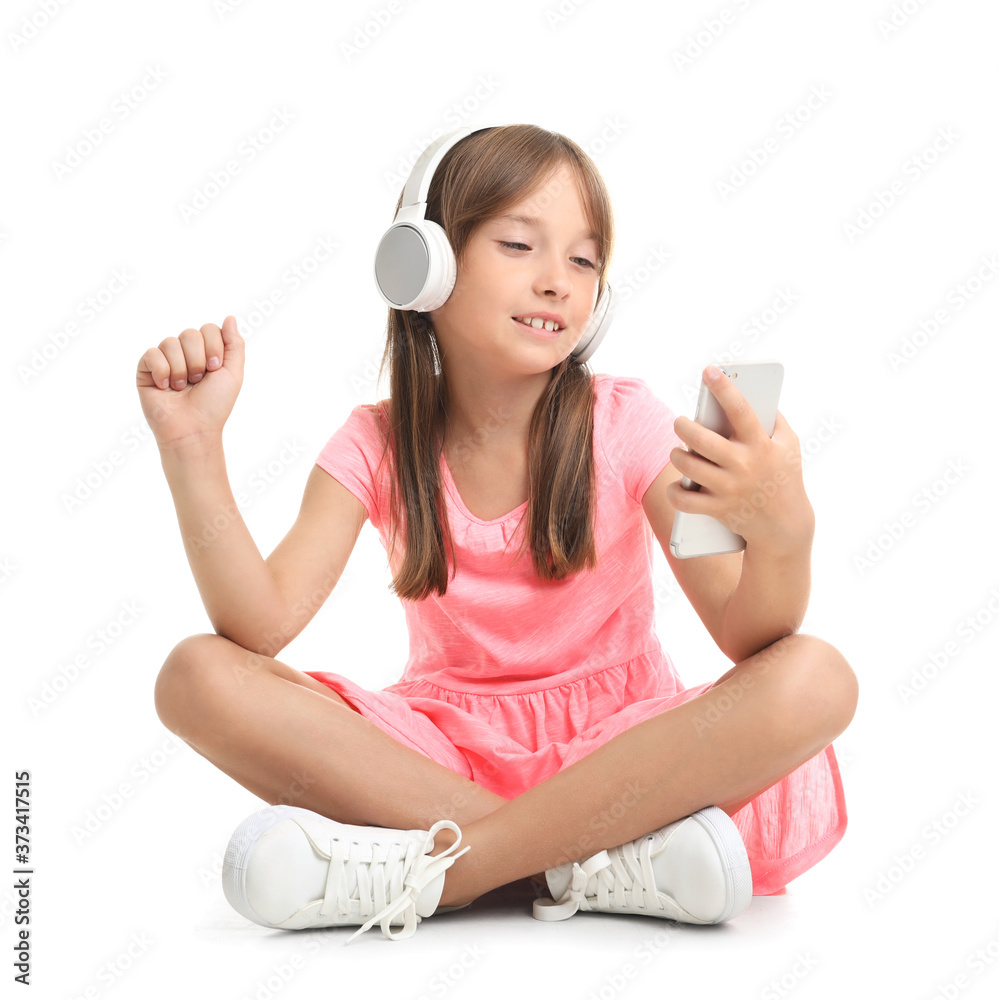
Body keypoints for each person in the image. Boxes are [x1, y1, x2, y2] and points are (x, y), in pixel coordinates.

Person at [137, 124, 858, 946]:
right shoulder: (374, 442)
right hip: (436, 765)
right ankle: (595, 864)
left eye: (583, 261)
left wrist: (783, 532)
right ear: (423, 264)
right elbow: (256, 627)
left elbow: (749, 636)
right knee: (193, 675)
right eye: (519, 244)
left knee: (815, 677)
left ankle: (447, 872)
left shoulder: (627, 423)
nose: (557, 281)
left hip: (627, 760)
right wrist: (193, 452)